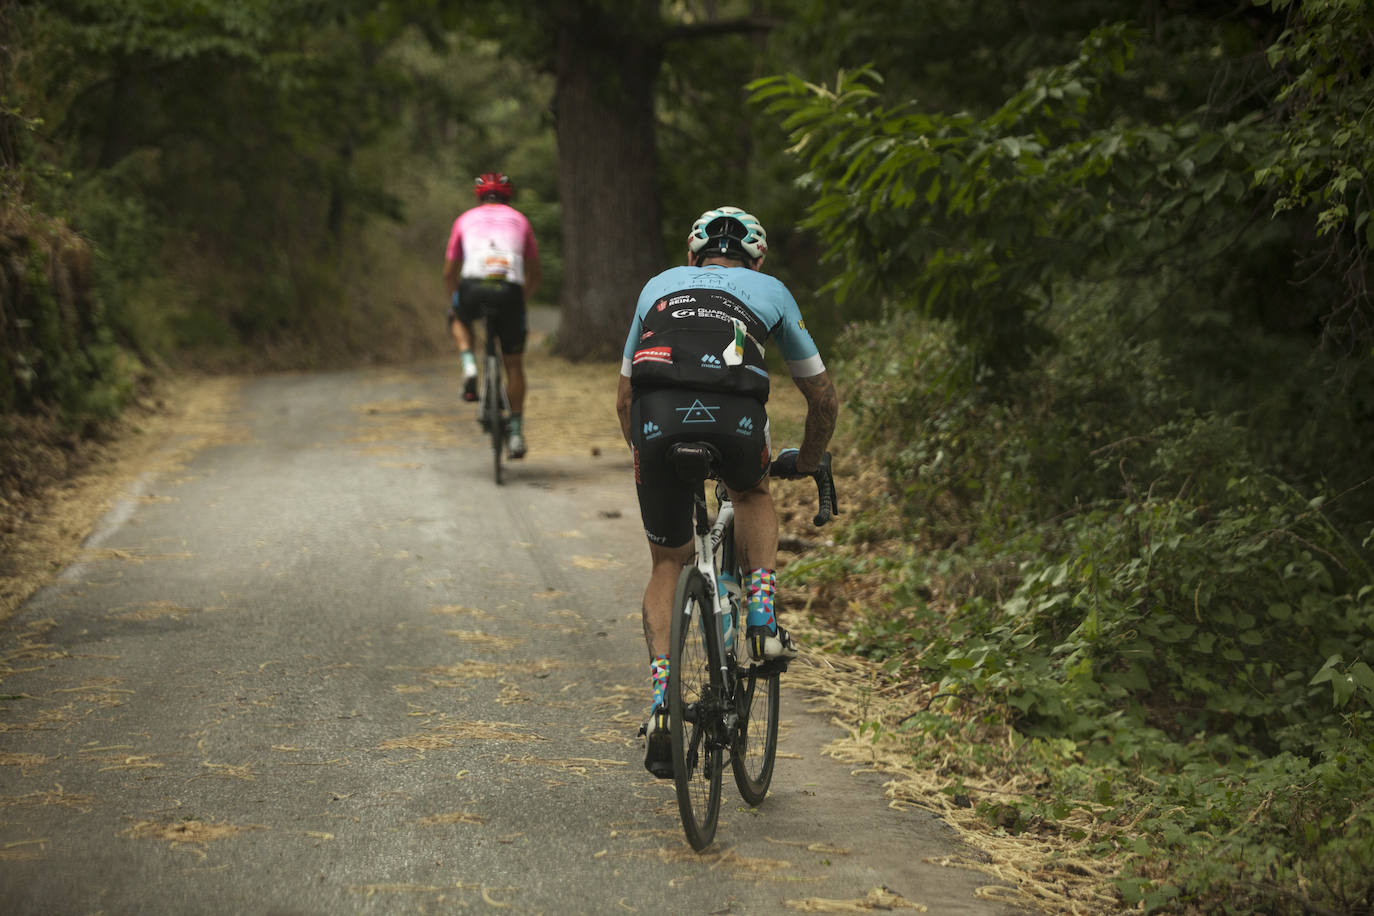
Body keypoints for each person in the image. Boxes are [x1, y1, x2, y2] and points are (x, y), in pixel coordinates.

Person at [615, 206, 839, 777]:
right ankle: (761, 621)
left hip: (656, 420)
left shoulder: (658, 286)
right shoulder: (771, 290)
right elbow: (823, 397)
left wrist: (646, 456)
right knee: (751, 494)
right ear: (757, 259)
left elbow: (623, 397)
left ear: (692, 257)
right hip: (736, 417)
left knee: (668, 562)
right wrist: (809, 459)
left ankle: (665, 704)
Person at [443, 172, 542, 459]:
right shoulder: (520, 220)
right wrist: (519, 300)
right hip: (509, 290)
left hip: (473, 287)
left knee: (458, 316)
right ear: (507, 197)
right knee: (514, 365)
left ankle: (469, 364)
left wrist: (454, 300)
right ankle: (516, 433)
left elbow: (449, 272)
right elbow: (535, 274)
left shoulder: (464, 219)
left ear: (479, 197)